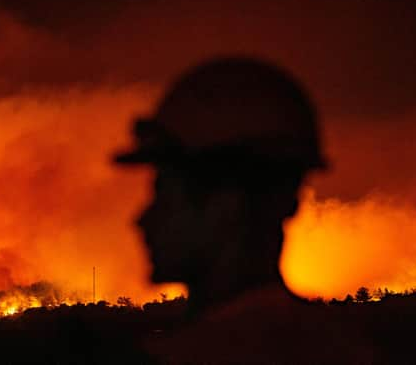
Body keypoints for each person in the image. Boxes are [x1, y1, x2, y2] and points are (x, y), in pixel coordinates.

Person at [114, 56, 371, 364]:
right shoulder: (341, 352)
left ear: (228, 202)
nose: (143, 219)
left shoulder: (181, 357)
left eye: (164, 194)